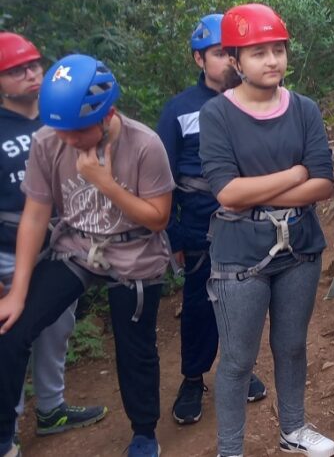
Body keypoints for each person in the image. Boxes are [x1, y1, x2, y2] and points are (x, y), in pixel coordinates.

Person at [0, 53, 175, 457]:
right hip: (77, 247)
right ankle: (3, 437)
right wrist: (18, 292)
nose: (69, 140)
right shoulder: (49, 140)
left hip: (135, 250)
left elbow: (158, 219)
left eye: (78, 132)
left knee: (136, 347)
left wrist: (104, 182)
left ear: (107, 113)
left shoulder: (144, 143)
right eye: (62, 131)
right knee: (12, 330)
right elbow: (36, 214)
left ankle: (144, 432)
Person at [199, 3, 334, 457]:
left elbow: (322, 183)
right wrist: (294, 174)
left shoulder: (303, 109)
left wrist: (264, 188)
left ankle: (293, 428)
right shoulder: (218, 115)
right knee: (238, 359)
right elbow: (227, 193)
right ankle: (230, 449)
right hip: (240, 253)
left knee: (292, 345)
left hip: (299, 246)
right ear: (236, 61)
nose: (272, 60)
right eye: (258, 52)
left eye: (277, 49)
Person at [155, 15, 267, 426]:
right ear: (198, 59)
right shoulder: (179, 110)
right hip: (201, 225)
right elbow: (161, 177)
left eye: (232, 53)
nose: (228, 61)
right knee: (201, 306)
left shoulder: (254, 98)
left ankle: (238, 367)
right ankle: (192, 377)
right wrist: (173, 235)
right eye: (219, 53)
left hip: (250, 221)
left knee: (246, 303)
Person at [0, 35, 107, 449]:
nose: (30, 74)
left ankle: (51, 407)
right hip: (8, 254)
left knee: (57, 329)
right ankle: (6, 431)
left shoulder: (61, 118)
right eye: (16, 70)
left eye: (34, 66)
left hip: (61, 246)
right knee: (11, 339)